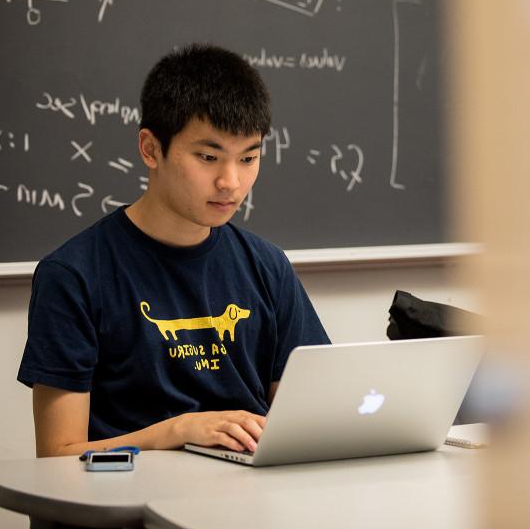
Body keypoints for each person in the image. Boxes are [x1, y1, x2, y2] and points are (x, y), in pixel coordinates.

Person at [17, 44, 330, 458]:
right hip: (132, 506)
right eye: (208, 157)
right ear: (150, 149)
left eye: (249, 158)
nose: (231, 183)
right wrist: (179, 430)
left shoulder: (267, 265)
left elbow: (313, 415)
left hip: (251, 502)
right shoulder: (74, 275)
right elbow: (57, 455)